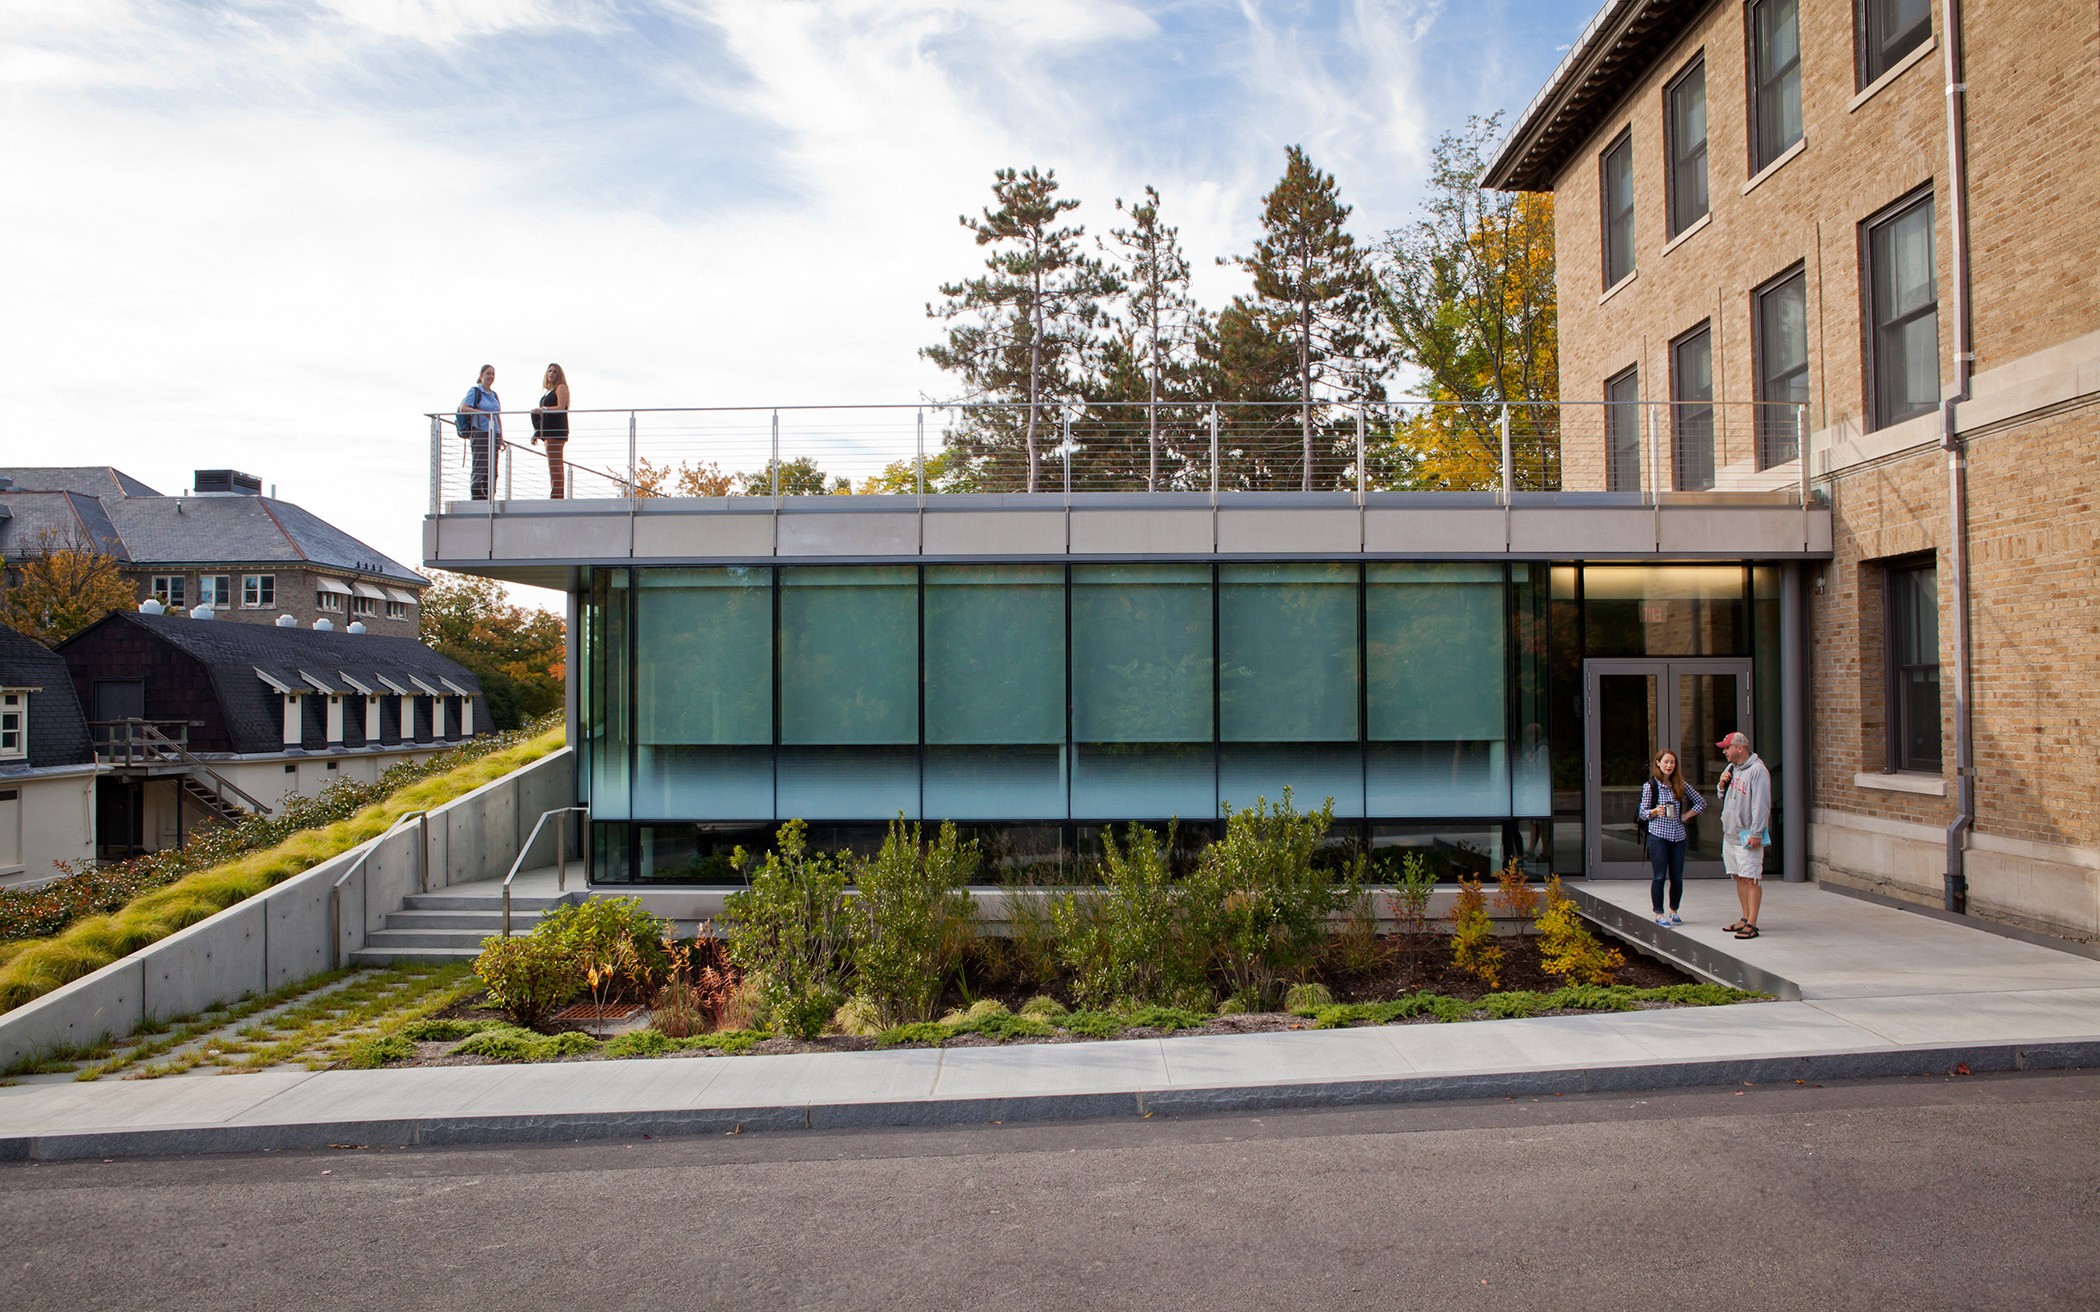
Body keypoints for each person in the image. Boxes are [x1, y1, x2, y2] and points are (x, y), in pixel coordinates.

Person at [1715, 730, 1772, 938]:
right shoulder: (1732, 768)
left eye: (1727, 748)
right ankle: (1745, 917)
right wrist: (1721, 785)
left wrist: (1756, 833)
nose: (1725, 752)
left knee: (1751, 878)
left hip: (1747, 834)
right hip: (1730, 833)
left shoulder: (1758, 771)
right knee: (1738, 876)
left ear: (1740, 748)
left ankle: (1753, 923)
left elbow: (1761, 805)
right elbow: (1725, 796)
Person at [1640, 748, 1705, 927]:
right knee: (1660, 876)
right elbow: (1643, 813)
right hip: (1658, 836)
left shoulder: (1680, 784)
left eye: (1672, 762)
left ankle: (1674, 910)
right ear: (1658, 764)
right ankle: (1659, 914)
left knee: (1677, 877)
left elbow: (1701, 802)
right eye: (1666, 762)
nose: (1669, 765)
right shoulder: (1651, 786)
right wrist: (1655, 811)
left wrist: (1685, 816)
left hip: (1678, 836)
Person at [459, 365, 502, 500]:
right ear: (481, 375)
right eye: (488, 373)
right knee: (481, 464)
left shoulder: (494, 395)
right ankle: (477, 495)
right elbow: (463, 408)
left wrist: (500, 435)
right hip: (480, 431)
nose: (491, 376)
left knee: (493, 467)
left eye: (493, 374)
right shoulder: (475, 391)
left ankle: (489, 495)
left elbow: (497, 416)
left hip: (493, 433)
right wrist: (483, 413)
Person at [530, 363, 571, 499]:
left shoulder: (561, 388)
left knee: (556, 466)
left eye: (554, 371)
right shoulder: (548, 392)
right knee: (553, 465)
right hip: (548, 434)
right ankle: (556, 494)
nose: (551, 373)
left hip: (557, 432)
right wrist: (537, 433)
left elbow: (561, 407)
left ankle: (557, 496)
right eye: (549, 371)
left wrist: (544, 409)